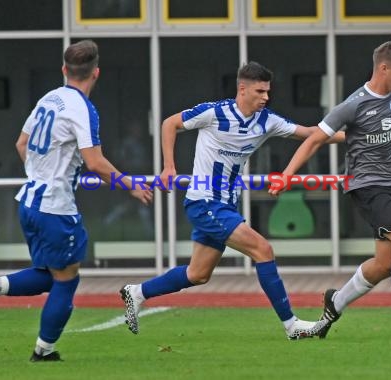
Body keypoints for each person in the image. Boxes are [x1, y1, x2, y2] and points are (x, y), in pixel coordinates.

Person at [121, 61, 343, 340]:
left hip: (225, 205)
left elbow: (313, 134)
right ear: (242, 89)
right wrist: (168, 166)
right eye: (260, 91)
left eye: (267, 92)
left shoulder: (267, 120)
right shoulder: (214, 112)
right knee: (263, 249)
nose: (266, 97)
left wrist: (355, 137)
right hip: (204, 202)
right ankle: (292, 325)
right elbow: (170, 123)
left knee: (198, 274)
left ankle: (137, 292)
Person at [0, 40, 153, 361]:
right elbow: (95, 162)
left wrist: (41, 173)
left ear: (64, 70)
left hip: (30, 202)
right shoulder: (83, 108)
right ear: (96, 73)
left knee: (51, 273)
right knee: (66, 280)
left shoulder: (48, 99)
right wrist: (130, 185)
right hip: (55, 207)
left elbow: (21, 143)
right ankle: (44, 351)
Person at [269, 40, 391, 339]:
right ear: (383, 68)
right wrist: (286, 176)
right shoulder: (353, 105)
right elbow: (313, 140)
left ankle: (336, 301)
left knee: (385, 265)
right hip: (368, 186)